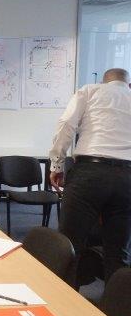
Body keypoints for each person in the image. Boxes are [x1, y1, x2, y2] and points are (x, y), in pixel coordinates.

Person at [49, 68, 131, 283]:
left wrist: (57, 165)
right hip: (127, 178)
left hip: (90, 173)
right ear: (128, 84)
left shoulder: (90, 91)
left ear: (104, 81)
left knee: (69, 245)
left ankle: (64, 300)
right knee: (118, 251)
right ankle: (116, 303)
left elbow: (66, 125)